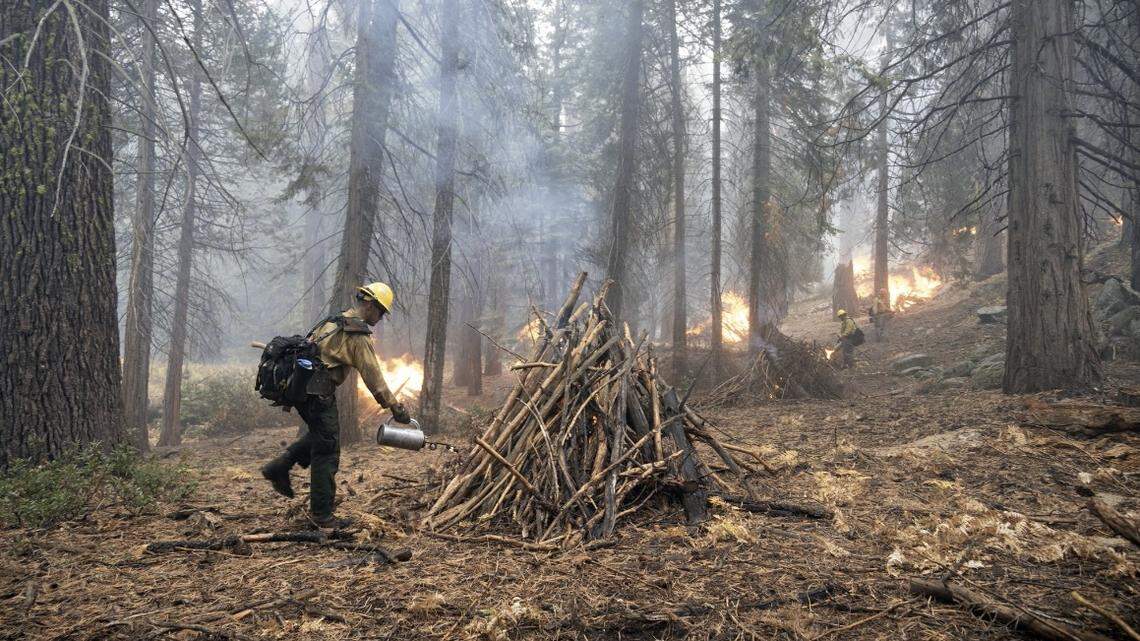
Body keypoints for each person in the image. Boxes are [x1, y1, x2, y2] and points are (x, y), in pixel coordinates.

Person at [260, 282, 411, 528]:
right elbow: (374, 377)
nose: (381, 317)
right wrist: (395, 407)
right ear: (370, 305)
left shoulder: (334, 320)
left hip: (302, 391)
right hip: (319, 393)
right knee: (327, 450)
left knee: (320, 436)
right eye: (381, 311)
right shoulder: (356, 334)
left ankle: (280, 466)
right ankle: (322, 516)